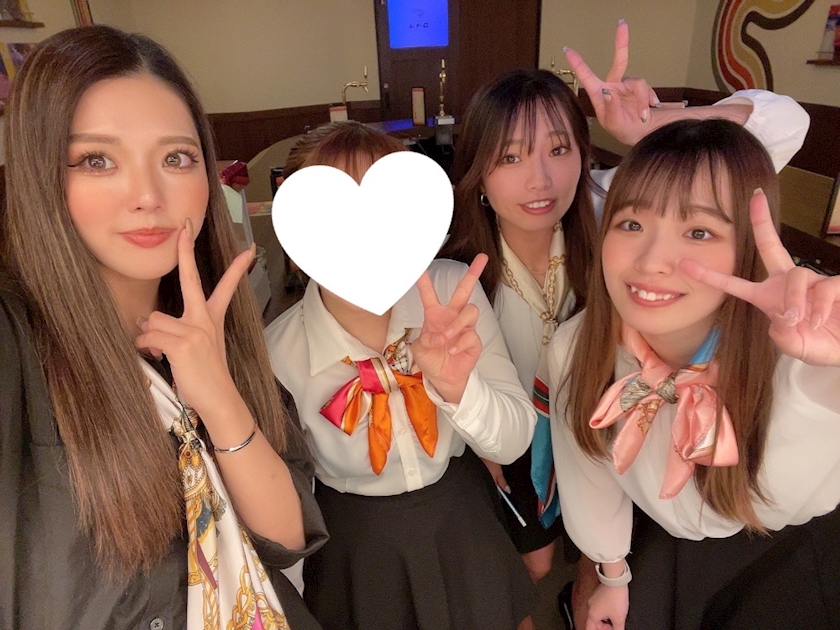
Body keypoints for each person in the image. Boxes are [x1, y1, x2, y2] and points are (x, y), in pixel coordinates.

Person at [438, 20, 810, 625]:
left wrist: (655, 125)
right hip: (514, 438)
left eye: (559, 149)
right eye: (510, 157)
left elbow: (787, 125)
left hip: (620, 429)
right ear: (479, 172)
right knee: (532, 563)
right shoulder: (459, 273)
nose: (541, 179)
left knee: (607, 551)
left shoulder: (619, 212)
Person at [0, 25, 328, 629]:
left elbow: (285, 540)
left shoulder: (220, 329)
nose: (148, 195)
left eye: (176, 158)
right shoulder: (17, 343)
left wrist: (219, 397)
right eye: (97, 160)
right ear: (41, 175)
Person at [548, 118, 840, 630]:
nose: (652, 261)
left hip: (782, 555)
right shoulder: (576, 347)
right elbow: (588, 469)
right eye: (631, 224)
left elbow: (780, 505)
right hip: (654, 542)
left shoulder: (800, 358)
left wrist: (827, 371)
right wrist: (612, 574)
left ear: (748, 250)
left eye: (699, 231)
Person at [264, 121, 538, 630]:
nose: (364, 236)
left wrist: (458, 387)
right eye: (336, 216)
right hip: (355, 542)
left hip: (460, 512)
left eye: (384, 212)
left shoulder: (452, 290)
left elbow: (512, 442)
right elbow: (283, 503)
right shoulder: (275, 352)